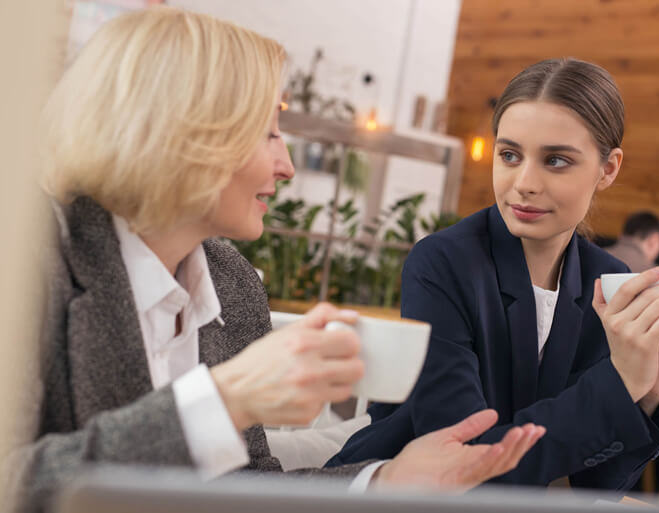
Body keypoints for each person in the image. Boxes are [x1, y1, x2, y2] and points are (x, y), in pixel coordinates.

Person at [4, 8, 546, 513]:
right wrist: (222, 401)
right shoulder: (29, 262)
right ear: (181, 135)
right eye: (267, 132)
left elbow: (240, 484)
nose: (286, 165)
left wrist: (384, 481)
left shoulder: (231, 282)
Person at [328, 58, 659, 491]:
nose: (524, 182)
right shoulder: (443, 263)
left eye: (556, 161)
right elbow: (465, 462)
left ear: (608, 168)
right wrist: (621, 382)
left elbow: (594, 485)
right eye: (509, 155)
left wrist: (648, 392)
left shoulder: (611, 282)